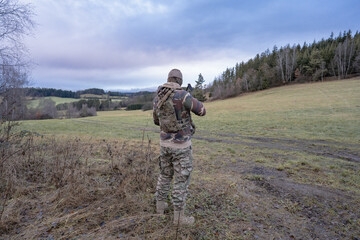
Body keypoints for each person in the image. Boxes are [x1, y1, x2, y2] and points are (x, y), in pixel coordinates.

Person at [153, 69, 206, 225]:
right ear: (180, 81)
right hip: (181, 146)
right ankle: (179, 219)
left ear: (168, 79)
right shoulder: (183, 95)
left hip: (164, 144)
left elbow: (156, 121)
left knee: (164, 175)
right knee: (181, 180)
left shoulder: (158, 96)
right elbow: (202, 111)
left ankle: (160, 209)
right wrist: (189, 97)